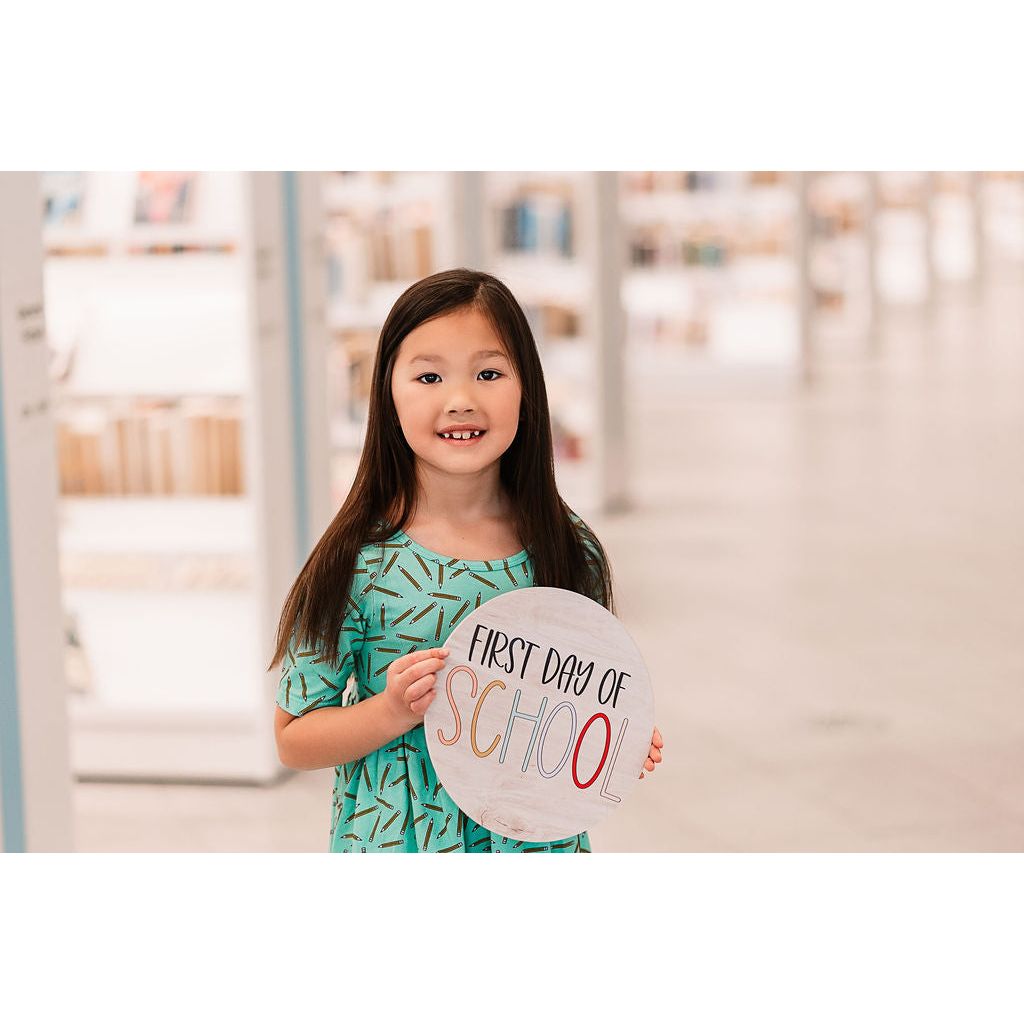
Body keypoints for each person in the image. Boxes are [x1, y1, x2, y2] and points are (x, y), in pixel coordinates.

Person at [270, 268, 664, 852]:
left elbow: (575, 694)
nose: (461, 400)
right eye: (429, 376)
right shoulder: (358, 559)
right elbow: (294, 738)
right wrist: (390, 711)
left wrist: (614, 742)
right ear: (386, 392)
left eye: (489, 373)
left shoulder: (567, 547)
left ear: (526, 388)